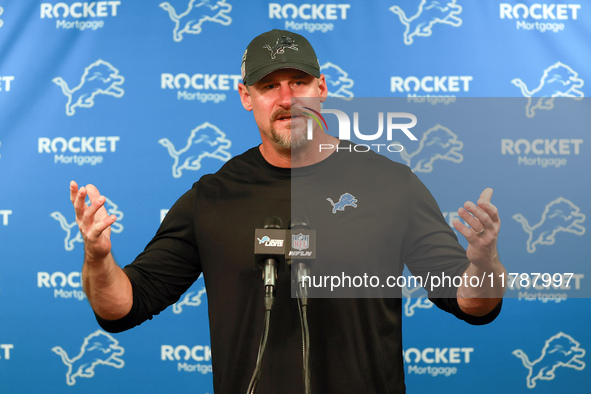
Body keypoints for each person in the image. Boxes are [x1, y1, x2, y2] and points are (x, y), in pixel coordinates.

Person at [70, 29, 507, 393]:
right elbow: (124, 307)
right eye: (268, 86)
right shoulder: (213, 197)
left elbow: (472, 302)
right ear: (246, 96)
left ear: (322, 87)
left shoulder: (390, 184)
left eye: (298, 81)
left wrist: (485, 262)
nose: (286, 98)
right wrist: (98, 259)